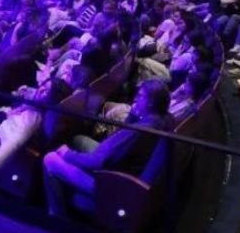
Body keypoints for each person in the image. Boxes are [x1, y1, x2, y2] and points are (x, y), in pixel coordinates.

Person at [43, 79, 170, 217]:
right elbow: (113, 143)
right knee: (79, 140)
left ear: (150, 103)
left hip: (110, 183)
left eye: (140, 96)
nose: (136, 98)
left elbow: (98, 161)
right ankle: (68, 191)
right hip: (117, 167)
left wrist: (67, 154)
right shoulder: (161, 121)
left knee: (50, 159)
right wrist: (132, 116)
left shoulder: (139, 131)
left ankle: (57, 214)